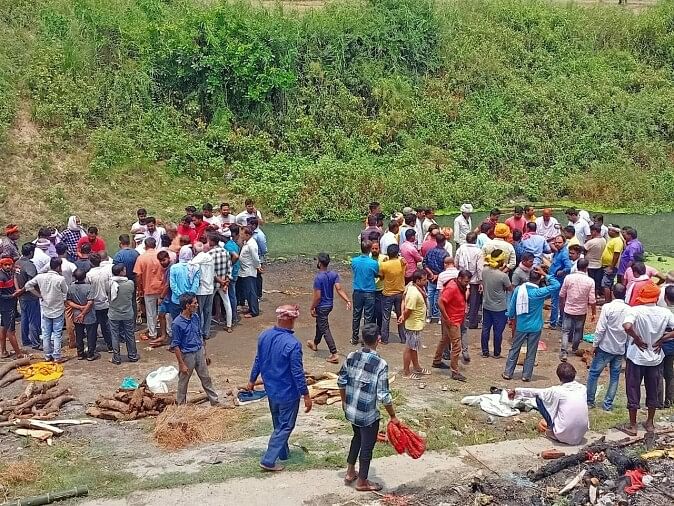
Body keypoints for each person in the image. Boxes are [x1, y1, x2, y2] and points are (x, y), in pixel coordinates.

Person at [247, 305, 311, 472]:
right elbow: (297, 373)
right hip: (288, 392)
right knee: (285, 426)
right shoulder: (293, 344)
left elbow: (257, 360)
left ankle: (283, 453)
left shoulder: (264, 336)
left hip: (271, 390)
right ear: (291, 320)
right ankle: (269, 460)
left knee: (278, 423)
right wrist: (306, 394)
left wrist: (251, 380)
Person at [338, 323, 399, 492]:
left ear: (363, 339)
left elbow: (341, 381)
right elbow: (383, 395)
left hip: (351, 410)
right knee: (367, 446)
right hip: (367, 415)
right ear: (378, 340)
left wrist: (344, 402)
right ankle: (362, 481)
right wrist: (393, 416)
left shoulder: (351, 356)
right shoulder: (381, 364)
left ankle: (350, 472)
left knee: (356, 438)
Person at [620, 283, 674, 435]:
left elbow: (627, 326)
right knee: (653, 390)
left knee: (632, 389)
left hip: (636, 357)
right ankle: (649, 423)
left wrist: (636, 338)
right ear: (658, 297)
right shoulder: (665, 313)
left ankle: (633, 425)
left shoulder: (635, 310)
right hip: (655, 357)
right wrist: (664, 338)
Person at [508, 363, 588, 445]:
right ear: (575, 374)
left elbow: (536, 392)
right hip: (581, 434)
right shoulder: (583, 388)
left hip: (563, 434)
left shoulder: (556, 391)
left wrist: (516, 391)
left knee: (539, 397)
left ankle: (551, 427)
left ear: (559, 378)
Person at [503, 267, 560, 381]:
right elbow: (556, 285)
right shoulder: (539, 292)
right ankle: (526, 375)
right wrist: (545, 274)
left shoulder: (519, 289)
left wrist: (510, 317)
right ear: (539, 279)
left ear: (528, 277)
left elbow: (512, 307)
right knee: (531, 351)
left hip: (521, 325)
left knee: (515, 349)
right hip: (535, 326)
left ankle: (508, 373)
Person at [171, 292, 220, 406]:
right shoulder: (177, 324)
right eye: (195, 303)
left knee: (206, 378)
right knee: (183, 382)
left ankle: (215, 401)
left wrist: (205, 353)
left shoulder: (196, 317)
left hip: (198, 351)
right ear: (187, 305)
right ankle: (181, 405)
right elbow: (176, 346)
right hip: (187, 355)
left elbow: (200, 335)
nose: (197, 305)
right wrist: (181, 364)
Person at [586, 284, 629, 411]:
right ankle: (607, 404)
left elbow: (600, 329)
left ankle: (590, 401)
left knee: (594, 374)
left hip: (606, 347)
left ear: (612, 293)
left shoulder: (608, 307)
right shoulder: (629, 309)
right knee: (614, 377)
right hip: (620, 348)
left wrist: (594, 345)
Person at [307, 253, 351, 363]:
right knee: (320, 324)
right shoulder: (334, 275)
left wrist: (312, 307)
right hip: (329, 305)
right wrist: (348, 300)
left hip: (321, 306)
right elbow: (339, 289)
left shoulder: (318, 278)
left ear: (320, 263)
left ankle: (334, 353)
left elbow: (317, 297)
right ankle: (315, 343)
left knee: (325, 328)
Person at [24, 258, 68, 362]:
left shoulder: (40, 277)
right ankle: (57, 356)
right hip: (58, 309)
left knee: (46, 333)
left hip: (46, 308)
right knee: (57, 334)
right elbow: (65, 291)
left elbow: (27, 286)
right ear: (58, 267)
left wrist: (39, 295)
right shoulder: (60, 279)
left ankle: (47, 355)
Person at [436, 270, 471, 381]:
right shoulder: (452, 287)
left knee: (445, 340)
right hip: (452, 320)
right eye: (466, 281)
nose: (467, 284)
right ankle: (455, 372)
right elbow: (440, 302)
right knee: (456, 346)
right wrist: (447, 318)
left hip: (454, 318)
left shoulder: (458, 285)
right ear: (459, 278)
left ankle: (436, 360)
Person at [559, 259, 596, 361]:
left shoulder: (568, 278)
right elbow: (592, 300)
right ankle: (574, 349)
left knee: (565, 331)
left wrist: (562, 305)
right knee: (578, 330)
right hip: (581, 310)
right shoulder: (590, 281)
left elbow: (562, 294)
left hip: (568, 308)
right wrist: (593, 313)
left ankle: (564, 352)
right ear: (586, 268)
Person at [481, 250, 513, 358]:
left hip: (486, 304)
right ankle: (496, 352)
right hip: (499, 307)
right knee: (498, 331)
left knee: (485, 329)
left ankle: (485, 351)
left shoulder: (484, 271)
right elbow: (509, 288)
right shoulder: (503, 276)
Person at [399, 269, 429, 380]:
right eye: (424, 280)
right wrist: (403, 318)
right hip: (412, 325)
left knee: (413, 347)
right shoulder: (413, 293)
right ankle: (406, 372)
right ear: (417, 280)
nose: (426, 282)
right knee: (409, 347)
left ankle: (417, 367)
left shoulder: (416, 289)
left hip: (416, 324)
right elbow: (408, 310)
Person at [133, 238, 162, 341]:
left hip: (148, 288)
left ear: (145, 246)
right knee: (164, 312)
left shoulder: (141, 258)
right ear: (155, 245)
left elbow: (138, 275)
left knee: (151, 313)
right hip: (161, 288)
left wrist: (139, 288)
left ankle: (153, 333)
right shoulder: (161, 256)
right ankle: (167, 331)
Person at [108, 264, 138, 365]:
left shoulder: (110, 284)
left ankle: (116, 358)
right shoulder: (130, 283)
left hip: (113, 314)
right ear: (121, 272)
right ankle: (132, 355)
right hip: (127, 313)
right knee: (130, 334)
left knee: (115, 335)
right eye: (124, 269)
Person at [67, 268, 99, 361]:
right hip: (89, 315)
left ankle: (80, 353)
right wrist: (83, 312)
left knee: (79, 335)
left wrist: (79, 309)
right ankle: (90, 354)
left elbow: (69, 301)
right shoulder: (89, 287)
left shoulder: (71, 287)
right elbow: (90, 303)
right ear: (85, 277)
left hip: (76, 314)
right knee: (91, 335)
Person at [351, 240, 379, 345]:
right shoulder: (373, 263)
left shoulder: (354, 261)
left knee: (356, 315)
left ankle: (354, 338)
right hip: (370, 291)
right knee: (368, 317)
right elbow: (376, 274)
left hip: (357, 291)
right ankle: (365, 340)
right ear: (370, 250)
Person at [13, 243, 41, 348]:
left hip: (22, 297)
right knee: (34, 320)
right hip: (30, 296)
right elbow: (30, 284)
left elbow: (15, 277)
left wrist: (18, 290)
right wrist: (39, 295)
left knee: (24, 318)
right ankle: (36, 343)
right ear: (30, 253)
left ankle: (25, 341)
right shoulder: (30, 265)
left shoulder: (17, 262)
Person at [86, 253, 114, 353]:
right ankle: (110, 346)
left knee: (93, 327)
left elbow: (88, 289)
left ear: (91, 263)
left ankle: (91, 349)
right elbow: (108, 288)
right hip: (105, 302)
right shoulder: (105, 273)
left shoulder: (89, 275)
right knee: (106, 325)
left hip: (94, 304)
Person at [455, 231, 483, 329]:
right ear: (475, 240)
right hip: (474, 281)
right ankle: (472, 322)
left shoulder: (460, 249)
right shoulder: (478, 251)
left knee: (461, 300)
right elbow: (480, 268)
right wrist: (481, 281)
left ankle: (461, 320)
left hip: (462, 279)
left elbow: (456, 262)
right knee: (474, 302)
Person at [379, 244, 406, 345]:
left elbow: (381, 277)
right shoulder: (402, 263)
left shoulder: (384, 265)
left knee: (386, 317)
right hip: (399, 292)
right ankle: (403, 338)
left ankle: (385, 339)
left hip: (388, 293)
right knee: (401, 315)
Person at [207, 233, 233, 333]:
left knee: (209, 305)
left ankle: (207, 327)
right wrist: (226, 281)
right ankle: (229, 325)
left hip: (214, 283)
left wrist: (220, 281)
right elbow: (229, 267)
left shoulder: (210, 254)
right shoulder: (225, 252)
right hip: (224, 282)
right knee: (227, 303)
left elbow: (211, 272)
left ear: (212, 242)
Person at [190, 242, 215, 340]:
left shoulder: (195, 261)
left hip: (201, 290)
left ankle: (199, 332)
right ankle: (206, 332)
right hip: (210, 288)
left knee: (198, 312)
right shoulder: (209, 258)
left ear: (195, 250)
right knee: (208, 311)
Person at [423, 233, 448, 323]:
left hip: (430, 278)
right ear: (444, 242)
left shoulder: (430, 251)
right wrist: (437, 276)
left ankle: (428, 317)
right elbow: (446, 268)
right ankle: (439, 318)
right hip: (440, 279)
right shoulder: (445, 253)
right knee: (439, 298)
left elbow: (424, 263)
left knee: (429, 298)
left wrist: (431, 274)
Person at [0, 257, 23, 358]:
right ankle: (18, 354)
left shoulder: (9, 273)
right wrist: (12, 296)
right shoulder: (1, 277)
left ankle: (4, 351)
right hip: (7, 306)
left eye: (10, 264)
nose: (8, 266)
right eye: (6, 265)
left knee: (4, 327)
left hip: (10, 304)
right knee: (11, 330)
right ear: (2, 266)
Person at [170, 245, 201, 316]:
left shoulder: (174, 268)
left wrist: (181, 297)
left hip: (177, 300)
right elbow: (195, 285)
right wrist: (189, 297)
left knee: (177, 321)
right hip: (190, 302)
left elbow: (173, 285)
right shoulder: (195, 267)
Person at [113, 234, 140, 318]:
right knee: (133, 301)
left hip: (121, 282)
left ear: (120, 243)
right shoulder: (136, 253)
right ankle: (133, 322)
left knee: (121, 301)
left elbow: (115, 270)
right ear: (129, 242)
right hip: (134, 281)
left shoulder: (118, 255)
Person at [238, 226, 261, 318]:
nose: (240, 235)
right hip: (245, 270)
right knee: (248, 291)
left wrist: (257, 267)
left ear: (247, 235)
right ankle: (251, 308)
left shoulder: (251, 244)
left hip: (249, 270)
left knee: (251, 291)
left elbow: (255, 258)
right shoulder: (247, 243)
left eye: (242, 234)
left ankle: (254, 311)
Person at [601, 225, 624, 301]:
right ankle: (609, 299)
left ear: (615, 232)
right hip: (606, 265)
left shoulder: (618, 241)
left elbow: (616, 254)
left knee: (605, 284)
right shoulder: (613, 239)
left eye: (610, 230)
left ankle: (607, 301)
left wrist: (611, 267)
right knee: (609, 284)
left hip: (610, 266)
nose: (608, 232)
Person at [223, 226, 241, 324]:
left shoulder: (228, 245)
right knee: (232, 294)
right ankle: (233, 315)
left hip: (231, 273)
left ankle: (233, 316)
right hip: (235, 271)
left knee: (231, 295)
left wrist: (230, 264)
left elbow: (236, 256)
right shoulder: (235, 244)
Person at [370, 240, 387, 333]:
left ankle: (379, 331)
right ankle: (372, 332)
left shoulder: (384, 258)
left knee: (380, 312)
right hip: (370, 289)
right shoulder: (368, 258)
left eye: (376, 248)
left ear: (379, 249)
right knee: (371, 313)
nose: (374, 250)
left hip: (381, 289)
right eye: (372, 248)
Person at [584, 225, 606, 293]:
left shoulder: (591, 242)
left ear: (595, 231)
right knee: (597, 281)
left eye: (591, 231)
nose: (590, 233)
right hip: (599, 264)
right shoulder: (604, 240)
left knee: (590, 281)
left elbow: (584, 250)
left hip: (590, 264)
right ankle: (596, 294)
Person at [249, 217, 267, 300]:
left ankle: (259, 294)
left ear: (254, 225)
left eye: (249, 224)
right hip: (253, 257)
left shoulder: (259, 235)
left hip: (259, 257)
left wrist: (260, 258)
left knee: (258, 276)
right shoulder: (251, 233)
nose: (247, 226)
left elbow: (263, 248)